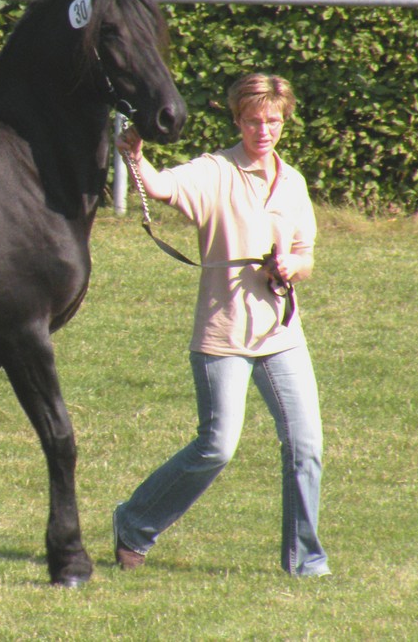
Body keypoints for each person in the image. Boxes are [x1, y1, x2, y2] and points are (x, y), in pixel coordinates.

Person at [112, 72, 330, 577]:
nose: (263, 130)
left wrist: (290, 267)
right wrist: (137, 157)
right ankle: (135, 522)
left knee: (306, 446)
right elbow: (163, 188)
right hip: (223, 336)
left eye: (272, 121)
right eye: (253, 121)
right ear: (237, 119)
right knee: (216, 447)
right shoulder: (214, 171)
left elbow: (306, 257)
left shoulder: (293, 182)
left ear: (284, 122)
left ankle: (306, 563)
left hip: (281, 336)